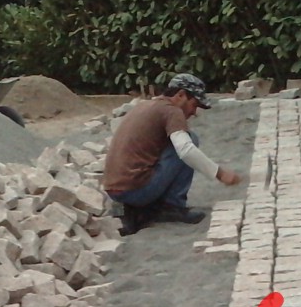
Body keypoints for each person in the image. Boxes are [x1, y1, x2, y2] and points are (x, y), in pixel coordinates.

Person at [102, 71, 242, 236]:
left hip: (114, 191)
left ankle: (138, 209)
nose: (194, 112)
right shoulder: (172, 111)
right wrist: (220, 174)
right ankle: (172, 206)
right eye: (194, 104)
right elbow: (186, 150)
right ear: (181, 95)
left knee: (173, 143)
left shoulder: (146, 106)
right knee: (190, 139)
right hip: (135, 191)